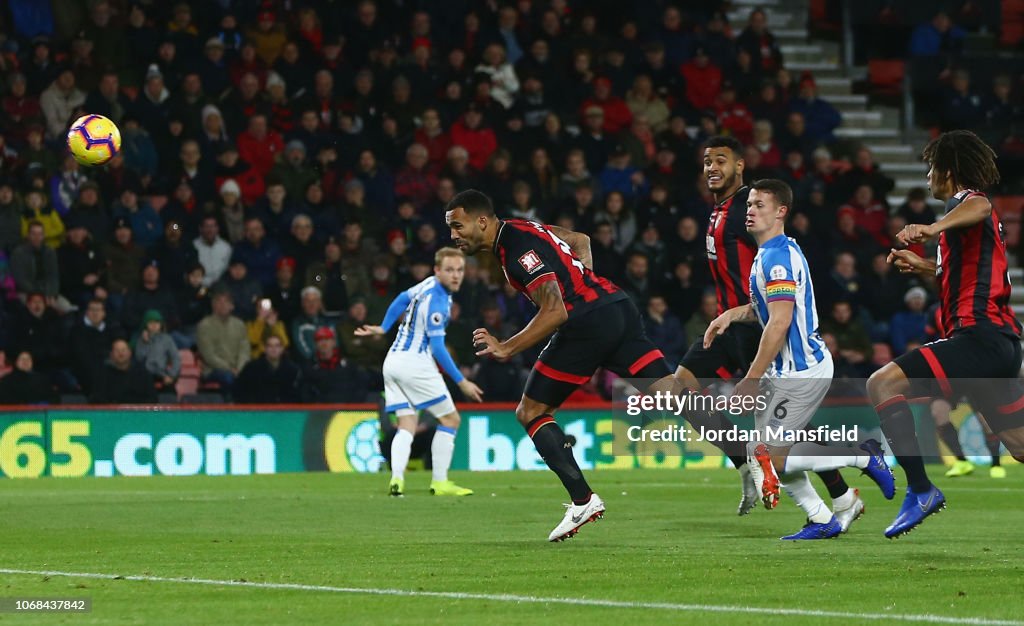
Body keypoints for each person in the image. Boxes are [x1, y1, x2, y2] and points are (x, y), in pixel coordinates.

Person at [447, 190, 696, 541]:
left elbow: (555, 311)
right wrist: (584, 283)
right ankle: (747, 453)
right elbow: (580, 240)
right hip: (616, 306)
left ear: (482, 221)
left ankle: (583, 500)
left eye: (458, 226)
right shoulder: (523, 227)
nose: (453, 235)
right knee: (672, 392)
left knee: (531, 411)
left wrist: (506, 347)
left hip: (587, 325)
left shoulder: (517, 251)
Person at [675, 136, 855, 516]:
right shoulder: (719, 210)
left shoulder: (748, 208)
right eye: (707, 161)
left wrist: (755, 312)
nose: (711, 168)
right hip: (727, 325)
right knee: (682, 388)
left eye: (721, 161)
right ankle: (746, 464)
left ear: (740, 166)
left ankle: (839, 496)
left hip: (755, 326)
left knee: (786, 429)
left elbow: (778, 270)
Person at [704, 179, 894, 540]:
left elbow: (780, 321)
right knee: (765, 453)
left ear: (781, 212)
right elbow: (765, 309)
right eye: (749, 205)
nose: (751, 210)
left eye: (760, 204)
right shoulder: (769, 253)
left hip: (801, 370)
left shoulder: (777, 257)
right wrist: (732, 314)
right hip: (785, 370)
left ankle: (863, 456)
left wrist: (751, 379)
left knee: (769, 457)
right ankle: (823, 517)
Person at [872, 130, 1024, 538]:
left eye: (931, 169)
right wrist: (921, 265)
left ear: (948, 171)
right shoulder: (961, 230)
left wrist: (931, 228)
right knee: (1018, 444)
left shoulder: (966, 201)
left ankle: (920, 490)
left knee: (881, 384)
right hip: (1000, 342)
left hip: (977, 337)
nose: (927, 178)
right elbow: (954, 273)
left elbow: (979, 204)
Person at [355, 247, 484, 497]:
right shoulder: (439, 302)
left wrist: (384, 327)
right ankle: (440, 481)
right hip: (415, 364)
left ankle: (396, 479)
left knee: (407, 423)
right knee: (450, 420)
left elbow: (402, 298)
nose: (455, 275)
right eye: (449, 270)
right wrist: (462, 381)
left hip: (392, 362)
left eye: (459, 270)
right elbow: (437, 347)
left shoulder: (426, 284)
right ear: (438, 271)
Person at [234, 334, 302, 403]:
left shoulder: (292, 370)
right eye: (270, 346)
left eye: (277, 346)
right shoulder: (252, 368)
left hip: (284, 410)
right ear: (264, 348)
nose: (274, 349)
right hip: (258, 410)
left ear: (282, 349)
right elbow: (241, 389)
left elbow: (296, 395)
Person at [90, 339, 159, 404]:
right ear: (111, 354)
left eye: (123, 350)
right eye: (117, 350)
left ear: (130, 353)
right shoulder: (103, 375)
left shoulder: (143, 374)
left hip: (137, 414)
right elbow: (96, 399)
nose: (121, 353)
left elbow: (152, 399)